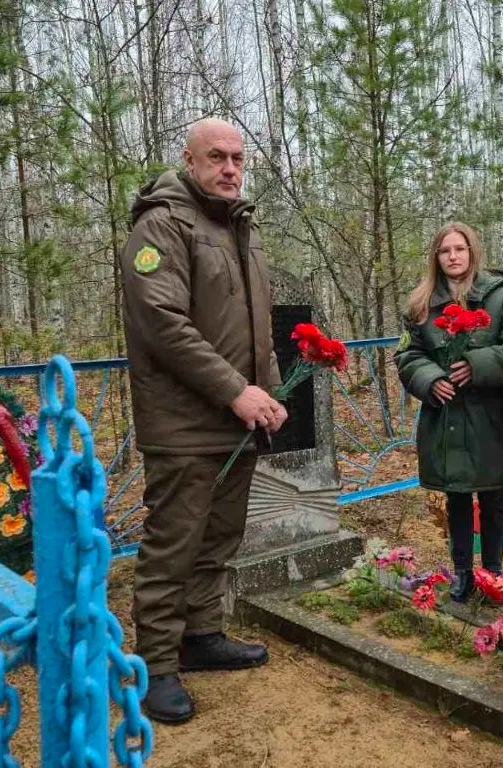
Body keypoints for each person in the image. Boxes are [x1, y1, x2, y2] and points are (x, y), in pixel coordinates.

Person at [120, 117, 288, 724]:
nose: (230, 169)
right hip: (185, 422)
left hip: (237, 418)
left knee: (219, 537)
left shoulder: (241, 228)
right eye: (217, 157)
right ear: (189, 160)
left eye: (239, 159)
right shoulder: (162, 224)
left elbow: (255, 325)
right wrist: (235, 391)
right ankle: (156, 667)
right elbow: (163, 325)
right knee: (175, 544)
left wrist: (265, 392)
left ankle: (201, 636)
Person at [395, 222, 503, 602]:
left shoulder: (502, 296)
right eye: (445, 251)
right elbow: (408, 354)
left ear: (472, 252)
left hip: (492, 415)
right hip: (447, 415)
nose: (453, 256)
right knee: (455, 495)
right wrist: (430, 379)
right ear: (436, 258)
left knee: (491, 495)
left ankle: (493, 573)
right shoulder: (421, 303)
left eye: (460, 249)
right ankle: (463, 573)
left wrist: (477, 364)